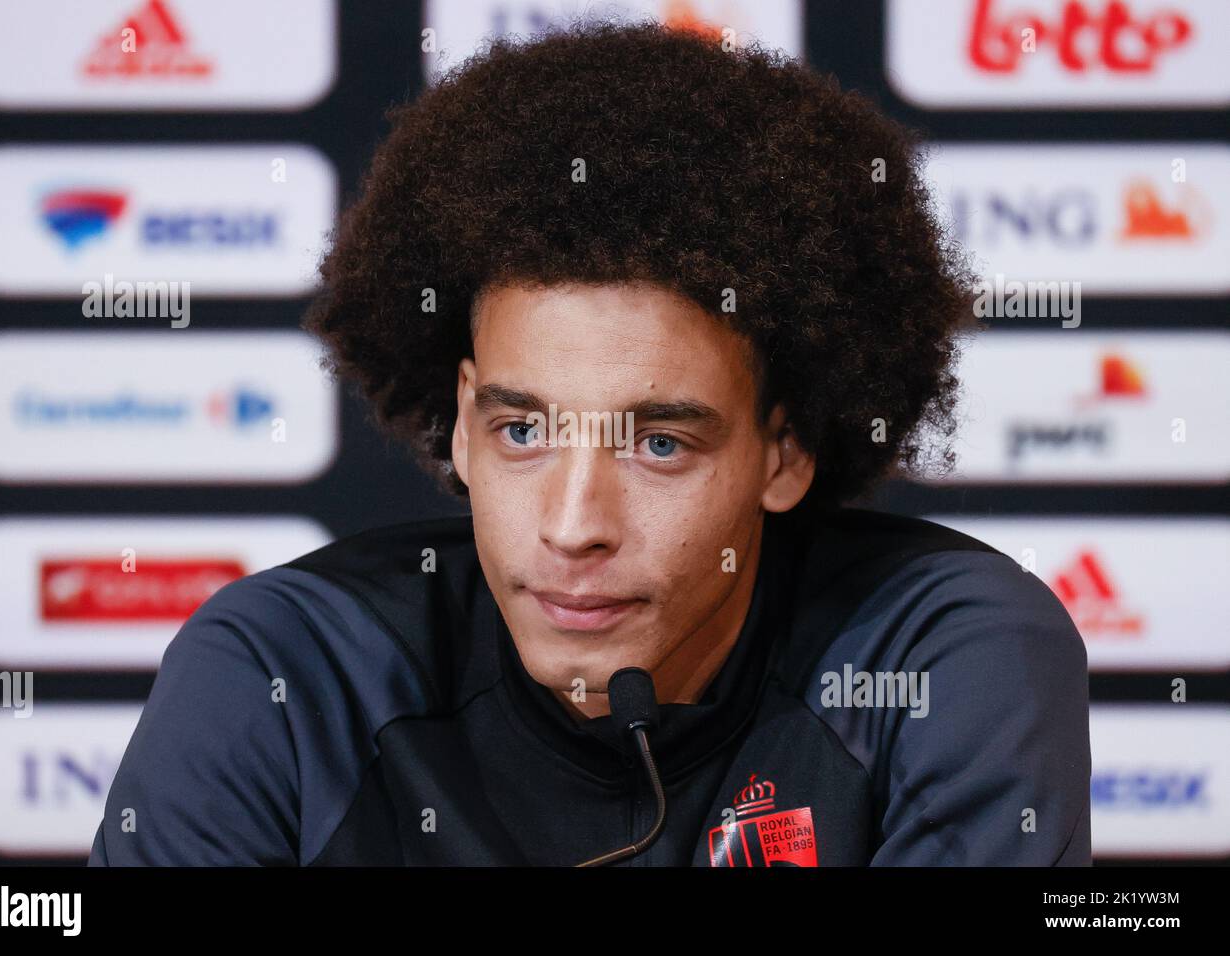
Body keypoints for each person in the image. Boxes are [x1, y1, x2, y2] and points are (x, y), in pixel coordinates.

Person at [89, 19, 1090, 866]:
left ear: (783, 451)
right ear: (464, 422)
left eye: (660, 445)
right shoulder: (284, 672)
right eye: (523, 429)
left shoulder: (940, 656)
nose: (573, 528)